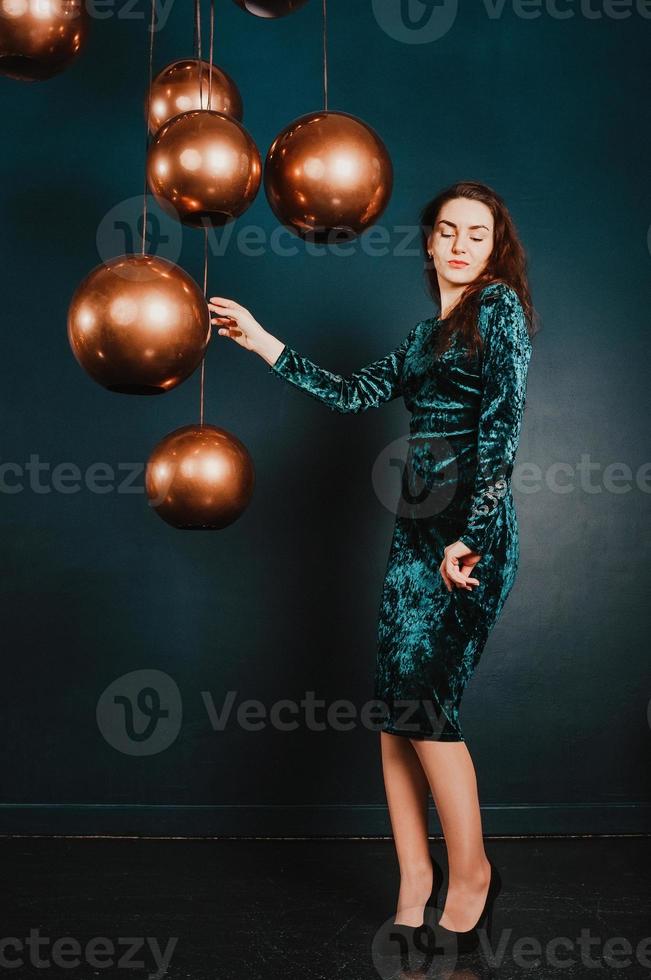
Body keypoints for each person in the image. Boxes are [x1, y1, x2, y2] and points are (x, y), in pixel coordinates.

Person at [208, 180, 536, 953]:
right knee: (395, 714)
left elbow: (501, 432)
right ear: (427, 242)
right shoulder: (426, 335)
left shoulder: (498, 311)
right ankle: (414, 877)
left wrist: (472, 538)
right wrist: (261, 339)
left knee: (427, 708)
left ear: (494, 249)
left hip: (466, 536)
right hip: (414, 535)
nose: (459, 244)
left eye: (476, 234)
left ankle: (473, 876)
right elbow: (354, 393)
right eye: (446, 231)